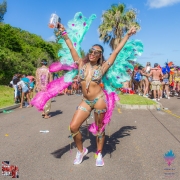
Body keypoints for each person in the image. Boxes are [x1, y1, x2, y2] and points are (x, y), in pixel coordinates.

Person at [57, 22, 136, 166]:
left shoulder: (103, 67)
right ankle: (81, 151)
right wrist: (63, 32)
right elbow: (70, 47)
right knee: (73, 127)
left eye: (96, 52)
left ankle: (99, 154)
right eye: (91, 51)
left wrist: (127, 35)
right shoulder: (81, 64)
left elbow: (116, 51)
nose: (92, 54)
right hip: (85, 101)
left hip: (99, 100)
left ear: (100, 56)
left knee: (99, 130)